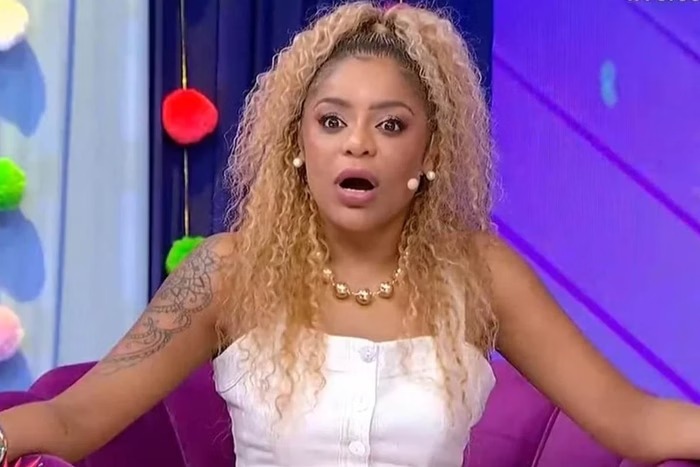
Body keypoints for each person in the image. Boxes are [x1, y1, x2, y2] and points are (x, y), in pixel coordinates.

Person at [1, 1, 699, 465]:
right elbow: (71, 420)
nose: (357, 144)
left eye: (390, 124)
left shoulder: (482, 275)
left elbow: (634, 422)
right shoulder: (227, 271)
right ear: (299, 143)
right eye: (331, 121)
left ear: (430, 152)